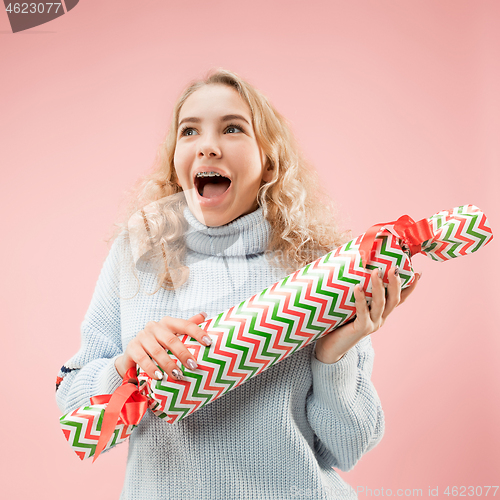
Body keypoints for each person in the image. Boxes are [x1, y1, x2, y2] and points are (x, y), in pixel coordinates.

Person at [55, 68, 419, 500]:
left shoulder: (320, 267)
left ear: (269, 158)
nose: (208, 145)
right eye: (189, 131)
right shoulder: (137, 253)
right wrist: (126, 365)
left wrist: (332, 357)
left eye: (232, 128)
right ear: (175, 155)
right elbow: (74, 410)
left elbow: (349, 448)